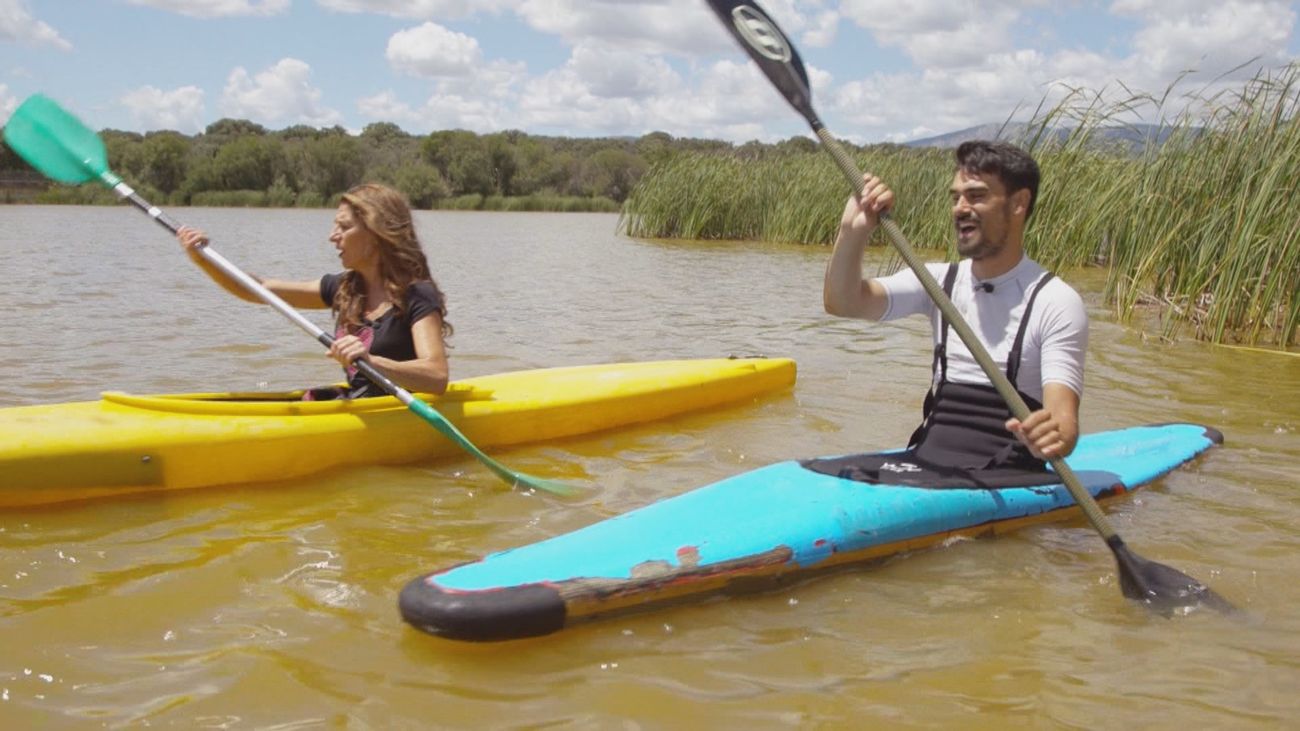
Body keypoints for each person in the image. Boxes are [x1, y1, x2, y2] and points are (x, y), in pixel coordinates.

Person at [818, 140, 1088, 486]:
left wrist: (1052, 437)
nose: (960, 208)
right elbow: (842, 302)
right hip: (926, 465)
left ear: (1019, 203)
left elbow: (1064, 426)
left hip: (1007, 475)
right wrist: (852, 232)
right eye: (956, 196)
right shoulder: (938, 281)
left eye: (975, 196)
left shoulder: (1056, 301)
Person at [177, 183, 451, 399]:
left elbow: (436, 376)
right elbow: (257, 289)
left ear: (376, 233)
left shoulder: (416, 295)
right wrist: (202, 259)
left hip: (396, 415)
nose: (333, 235)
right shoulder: (344, 289)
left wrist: (372, 361)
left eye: (344, 227)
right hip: (358, 403)